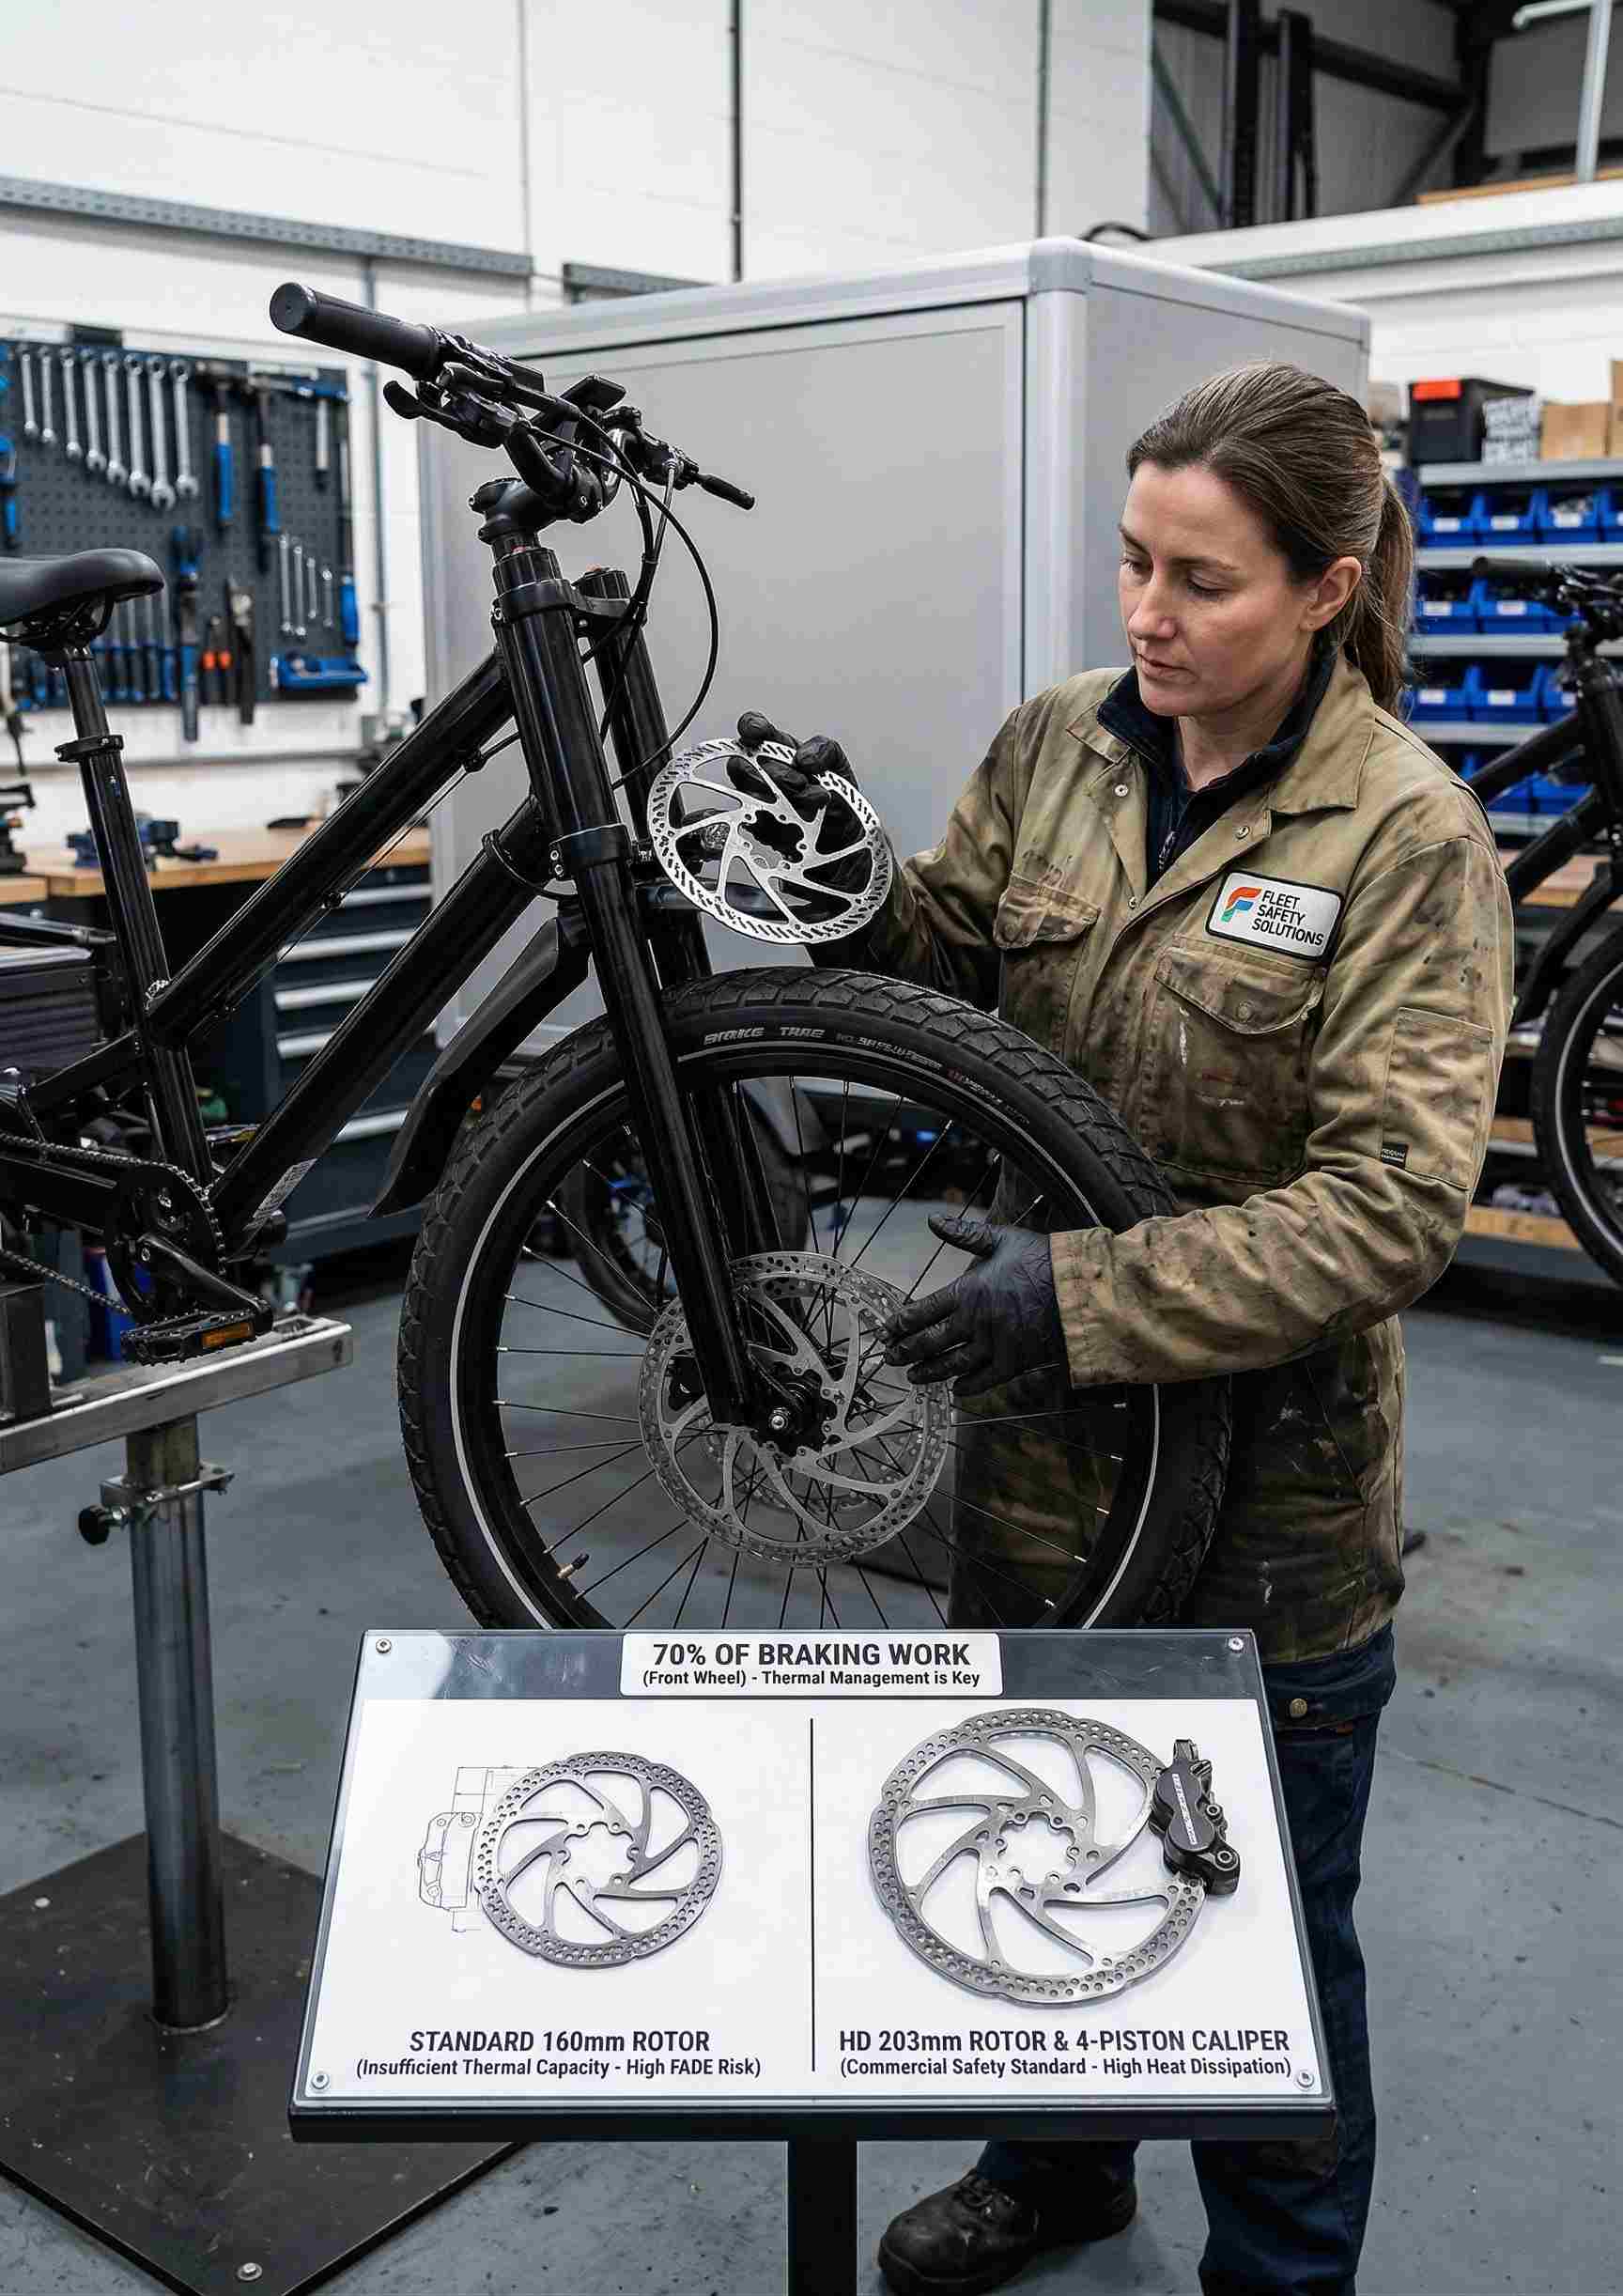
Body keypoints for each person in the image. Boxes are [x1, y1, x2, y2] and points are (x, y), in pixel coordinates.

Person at [741, 362, 1513, 2296]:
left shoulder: (1406, 837)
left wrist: (1084, 1295)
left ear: (1329, 591)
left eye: (1205, 579)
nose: (1149, 615)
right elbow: (955, 969)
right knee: (1033, 1826)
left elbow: (1391, 1207)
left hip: (1272, 1495)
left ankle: (1277, 2270)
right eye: (1130, 562)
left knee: (1258, 1918)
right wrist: (839, 870)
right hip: (1040, 1472)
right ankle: (1058, 2166)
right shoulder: (1064, 744)